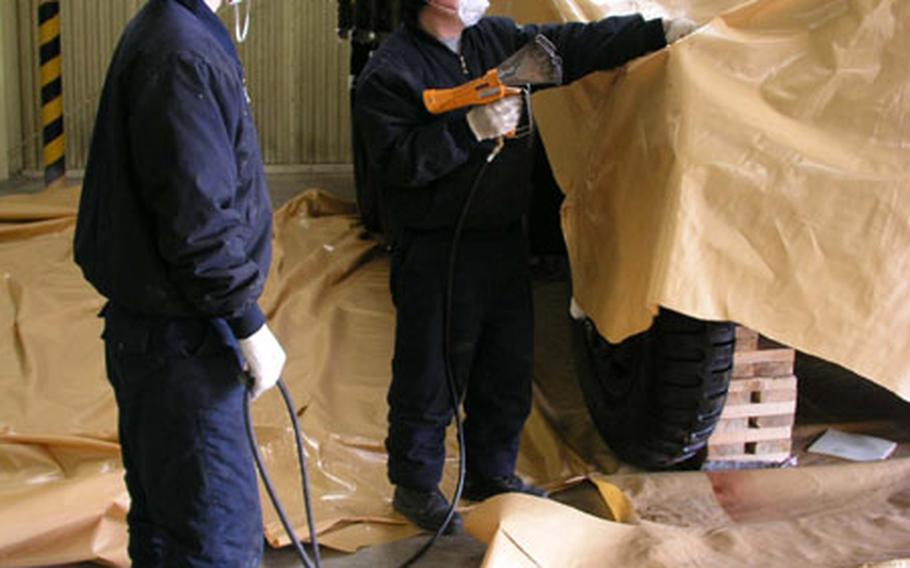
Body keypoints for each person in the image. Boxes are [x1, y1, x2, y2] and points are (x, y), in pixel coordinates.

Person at [353, 0, 697, 534]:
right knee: (432, 372)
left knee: (506, 367)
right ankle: (415, 484)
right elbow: (398, 165)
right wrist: (467, 129)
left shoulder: (494, 42)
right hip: (437, 250)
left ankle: (491, 471)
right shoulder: (392, 71)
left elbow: (575, 48)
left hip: (501, 239)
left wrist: (656, 30)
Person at [73, 0, 283, 565]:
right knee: (213, 539)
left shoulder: (178, 30)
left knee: (168, 530)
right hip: (182, 342)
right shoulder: (182, 51)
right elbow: (197, 219)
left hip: (163, 335)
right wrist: (247, 320)